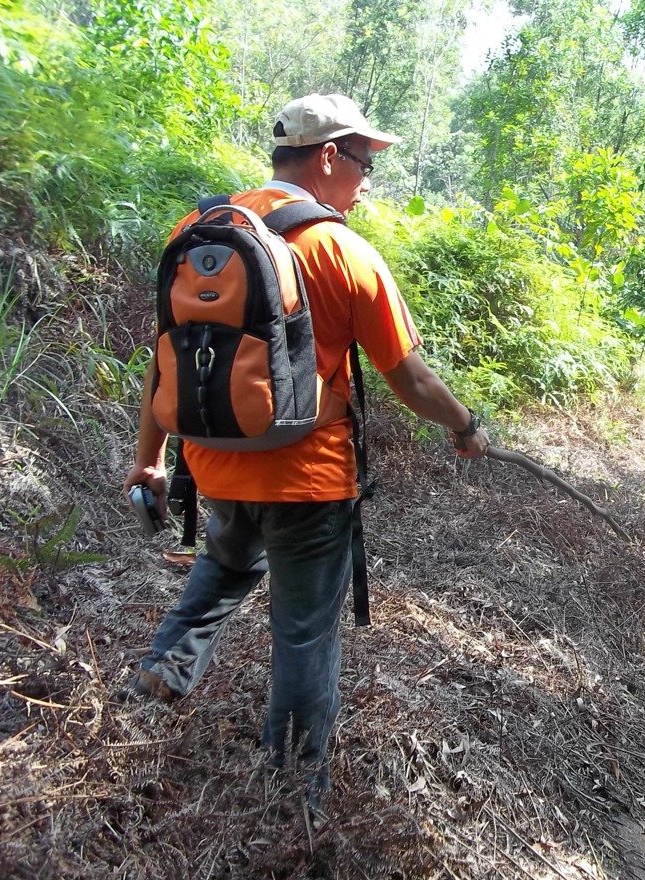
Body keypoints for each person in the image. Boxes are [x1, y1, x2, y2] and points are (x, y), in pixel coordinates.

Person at [118, 93, 489, 800]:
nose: (367, 182)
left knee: (226, 564)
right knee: (304, 636)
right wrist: (465, 426)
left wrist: (151, 458)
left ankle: (161, 671)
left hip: (216, 465)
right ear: (326, 157)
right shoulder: (342, 250)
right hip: (309, 481)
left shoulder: (198, 230)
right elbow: (410, 377)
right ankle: (294, 788)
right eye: (363, 164)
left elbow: (165, 362)